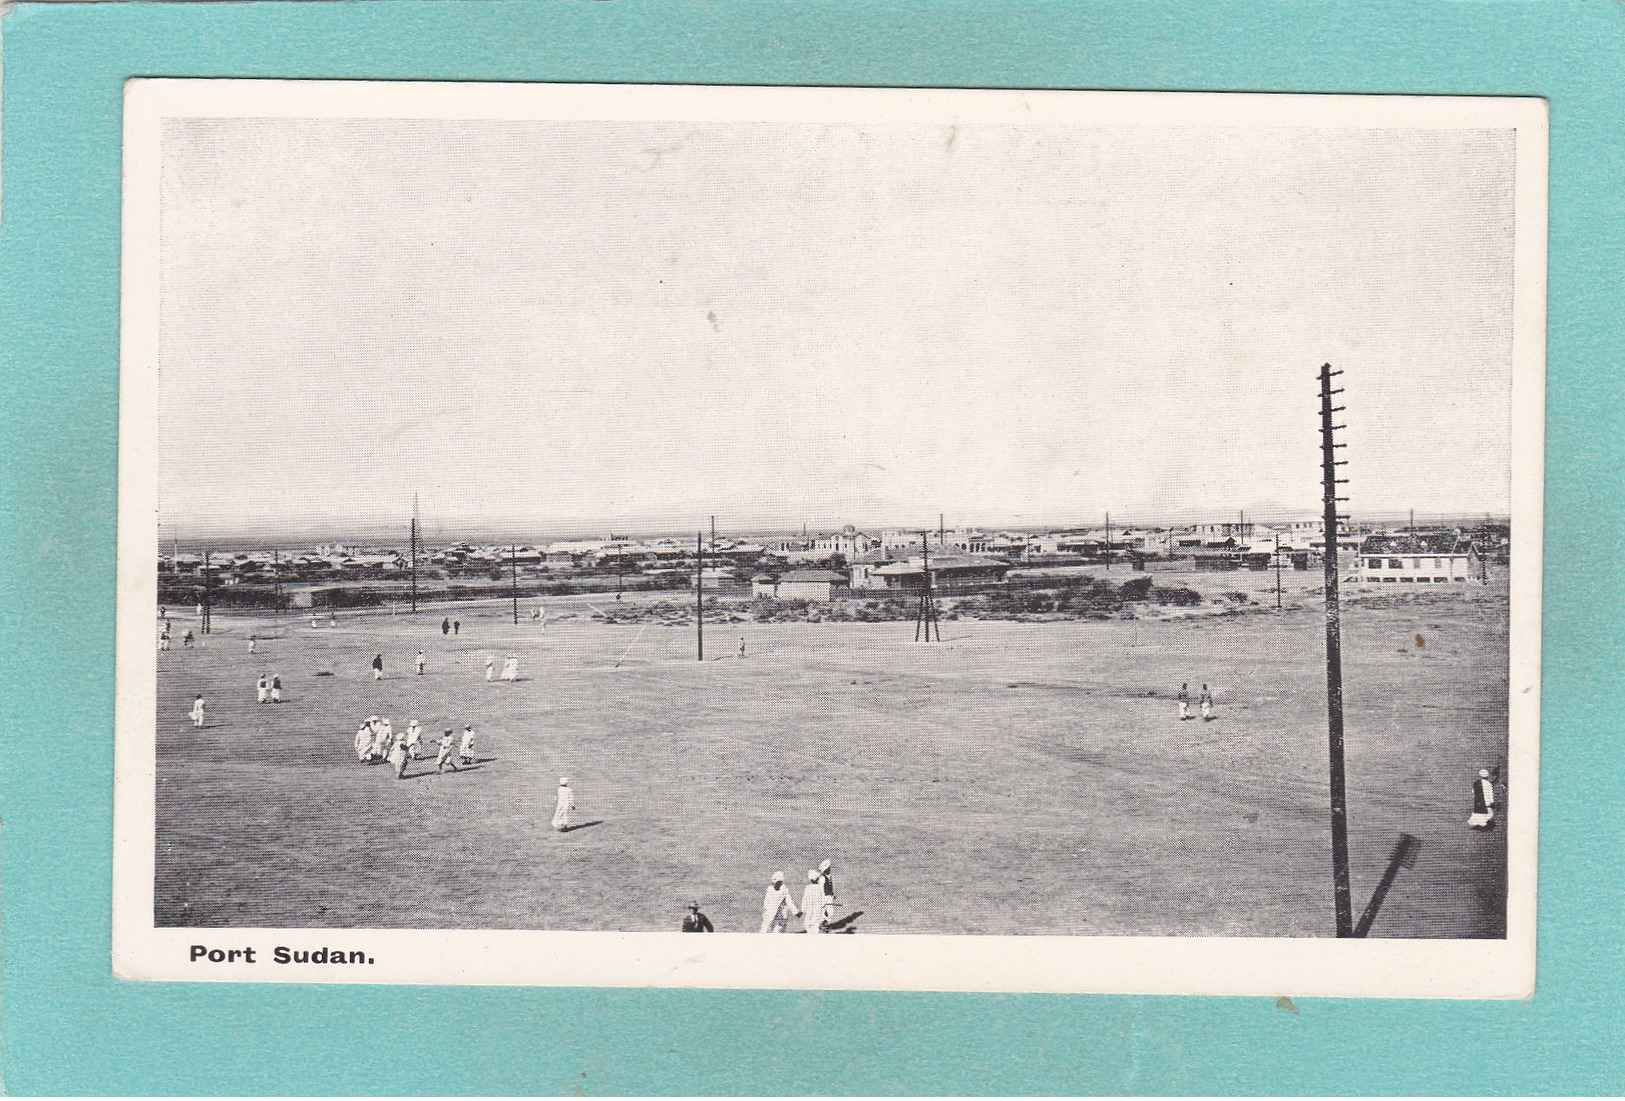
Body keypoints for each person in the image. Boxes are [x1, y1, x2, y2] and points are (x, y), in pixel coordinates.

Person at [818, 859, 838, 927]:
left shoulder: (829, 877)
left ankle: (824, 924)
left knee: (830, 912)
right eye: (828, 868)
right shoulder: (822, 878)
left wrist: (832, 894)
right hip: (824, 897)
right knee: (828, 911)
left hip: (829, 897)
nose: (829, 869)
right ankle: (823, 925)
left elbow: (830, 887)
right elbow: (820, 889)